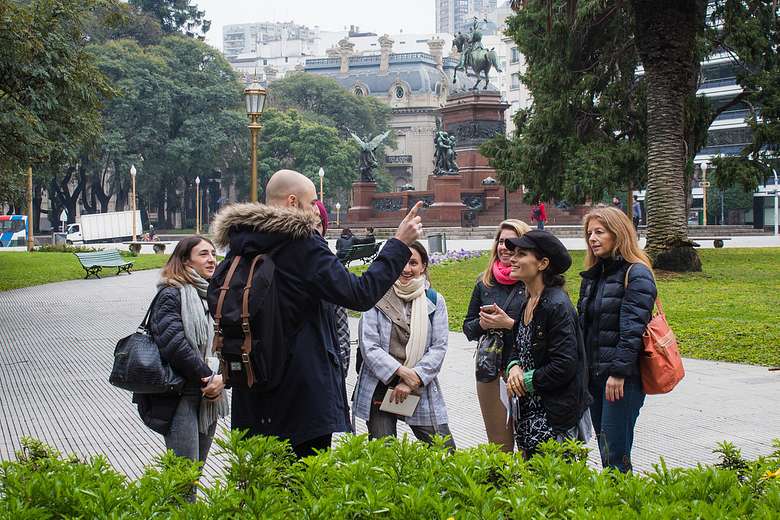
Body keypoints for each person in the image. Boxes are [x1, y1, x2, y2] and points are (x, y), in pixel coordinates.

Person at [210, 169, 423, 458]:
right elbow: (358, 294)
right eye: (313, 202)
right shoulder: (301, 243)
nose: (316, 209)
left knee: (264, 491)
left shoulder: (241, 244)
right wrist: (398, 245)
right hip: (301, 396)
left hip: (253, 387)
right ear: (293, 202)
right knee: (304, 491)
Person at [132, 235, 228, 498]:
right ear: (186, 260)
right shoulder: (171, 293)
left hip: (209, 395)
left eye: (213, 253)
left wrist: (221, 378)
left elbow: (221, 341)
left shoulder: (211, 295)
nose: (211, 259)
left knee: (194, 473)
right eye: (204, 254)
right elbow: (173, 343)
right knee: (183, 479)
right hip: (179, 393)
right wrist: (208, 377)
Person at [352, 241, 456, 450]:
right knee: (384, 455)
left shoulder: (435, 301)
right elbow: (369, 346)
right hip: (379, 387)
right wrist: (400, 372)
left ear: (423, 266)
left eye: (413, 263)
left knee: (445, 451)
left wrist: (412, 379)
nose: (406, 269)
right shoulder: (376, 296)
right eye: (401, 262)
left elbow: (439, 347)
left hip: (419, 387)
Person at [577, 207, 657, 472]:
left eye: (600, 232)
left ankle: (622, 503)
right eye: (590, 233)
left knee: (615, 454)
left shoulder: (636, 274)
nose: (593, 239)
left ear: (618, 234)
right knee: (605, 450)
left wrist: (619, 373)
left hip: (622, 380)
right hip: (596, 377)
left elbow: (632, 330)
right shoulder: (593, 276)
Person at [502, 230, 591, 458]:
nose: (512, 258)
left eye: (521, 254)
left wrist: (524, 380)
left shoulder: (556, 305)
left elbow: (564, 365)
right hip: (529, 414)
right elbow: (517, 346)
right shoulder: (528, 301)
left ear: (542, 264)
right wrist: (513, 366)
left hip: (555, 417)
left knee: (554, 488)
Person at [462, 219, 531, 452]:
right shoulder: (484, 283)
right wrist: (482, 324)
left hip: (524, 372)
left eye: (511, 243)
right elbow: (467, 328)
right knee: (499, 445)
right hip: (491, 371)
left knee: (529, 442)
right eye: (501, 242)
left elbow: (545, 331)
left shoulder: (532, 282)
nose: (504, 248)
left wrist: (509, 323)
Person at [314, 200, 351, 378]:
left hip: (327, 374)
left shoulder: (332, 270)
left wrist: (339, 374)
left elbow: (342, 326)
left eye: (318, 222)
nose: (313, 228)